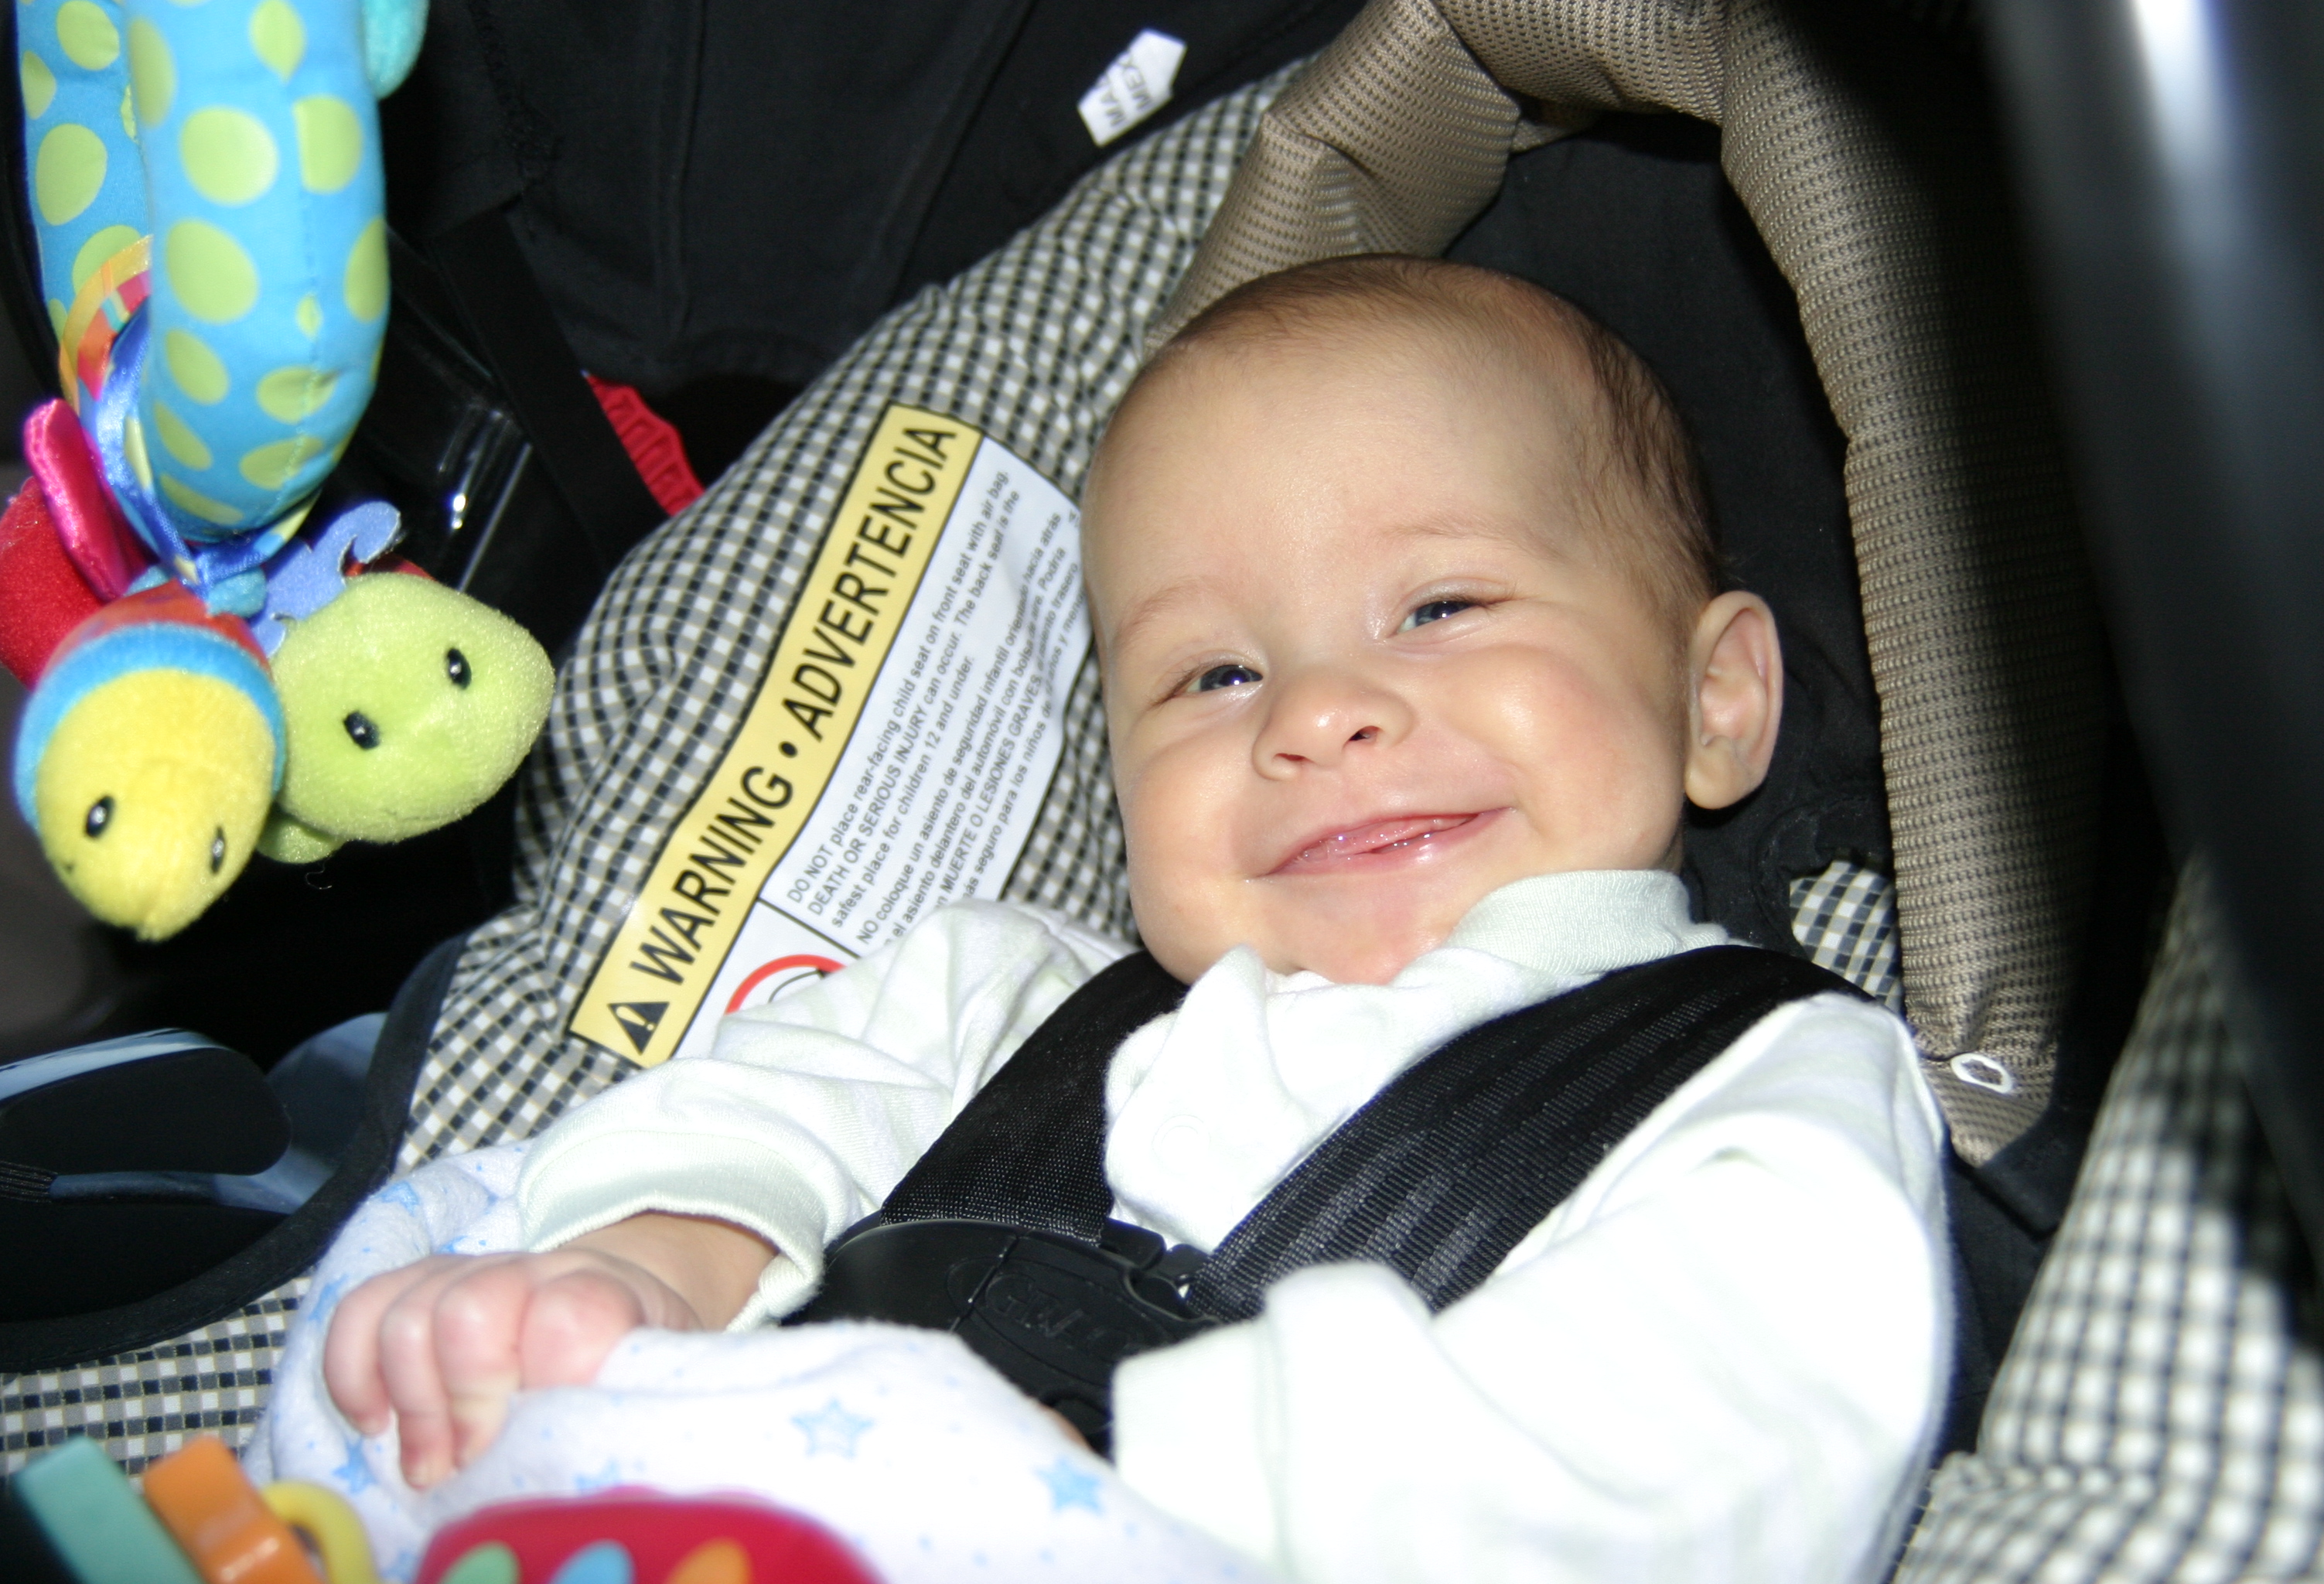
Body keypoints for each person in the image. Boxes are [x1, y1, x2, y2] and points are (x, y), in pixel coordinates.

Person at [314, 256, 1950, 1581]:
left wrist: (1116, 1475)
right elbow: (752, 1121)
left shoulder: (1774, 1074)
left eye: (1440, 606)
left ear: (1714, 698)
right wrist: (643, 1271)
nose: (1314, 712)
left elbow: (1719, 1456)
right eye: (1213, 674)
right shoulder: (1012, 997)